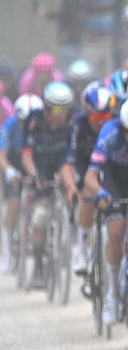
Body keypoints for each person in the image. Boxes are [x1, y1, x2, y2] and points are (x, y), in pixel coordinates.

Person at [86, 94, 128, 324]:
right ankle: (111, 291)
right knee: (117, 231)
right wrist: (100, 192)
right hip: (114, 179)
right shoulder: (110, 132)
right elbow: (91, 176)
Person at [22, 82, 75, 288]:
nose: (60, 116)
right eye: (56, 111)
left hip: (64, 162)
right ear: (46, 108)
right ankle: (38, 266)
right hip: (41, 165)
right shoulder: (34, 120)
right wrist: (34, 175)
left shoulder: (73, 120)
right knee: (41, 213)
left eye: (64, 111)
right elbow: (26, 154)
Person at [61, 82, 116, 277]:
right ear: (86, 114)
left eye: (105, 117)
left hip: (110, 167)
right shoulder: (78, 125)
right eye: (95, 117)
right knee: (87, 196)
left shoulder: (117, 124)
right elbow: (68, 162)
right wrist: (71, 187)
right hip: (85, 167)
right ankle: (82, 251)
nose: (100, 122)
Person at [0, 95, 42, 272]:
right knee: (14, 203)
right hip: (14, 162)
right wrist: (8, 170)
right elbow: (1, 154)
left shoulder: (41, 126)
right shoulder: (9, 126)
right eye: (24, 121)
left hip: (34, 162)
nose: (29, 124)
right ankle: (8, 253)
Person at [34, 0, 84, 68]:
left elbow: (77, 20)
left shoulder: (72, 1)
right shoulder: (68, 1)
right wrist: (44, 13)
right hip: (69, 42)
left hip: (71, 42)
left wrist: (68, 33)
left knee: (71, 68)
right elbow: (60, 15)